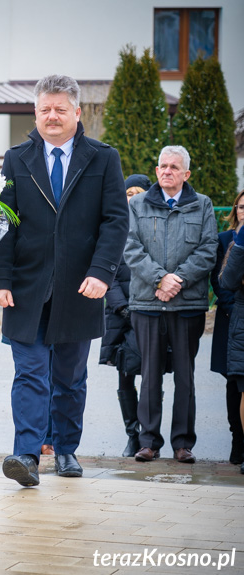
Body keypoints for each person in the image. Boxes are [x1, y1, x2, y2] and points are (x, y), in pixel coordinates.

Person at [0, 75, 129, 487]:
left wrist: (102, 273)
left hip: (80, 287)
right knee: (29, 373)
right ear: (35, 112)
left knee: (70, 378)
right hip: (26, 289)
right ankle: (26, 456)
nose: (52, 116)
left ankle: (65, 448)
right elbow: (2, 223)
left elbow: (116, 221)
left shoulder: (103, 158)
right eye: (45, 109)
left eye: (60, 109)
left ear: (76, 113)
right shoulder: (16, 158)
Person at [124, 145, 217, 464]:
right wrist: (160, 279)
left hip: (186, 305)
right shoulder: (137, 204)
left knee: (185, 377)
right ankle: (148, 441)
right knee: (149, 375)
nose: (166, 171)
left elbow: (208, 250)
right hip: (147, 304)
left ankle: (182, 443)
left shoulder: (202, 205)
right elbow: (130, 247)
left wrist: (177, 280)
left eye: (174, 167)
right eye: (162, 166)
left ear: (186, 174)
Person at [98, 174, 149, 457]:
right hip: (121, 315)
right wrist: (122, 307)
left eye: (138, 192)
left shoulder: (153, 225)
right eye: (127, 192)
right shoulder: (114, 225)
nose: (132, 197)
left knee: (152, 377)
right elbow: (108, 271)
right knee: (126, 375)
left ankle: (150, 435)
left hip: (151, 313)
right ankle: (133, 434)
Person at [210, 189, 244, 466]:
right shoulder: (225, 240)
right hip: (229, 318)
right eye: (241, 206)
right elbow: (218, 280)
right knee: (232, 382)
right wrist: (232, 307)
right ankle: (237, 440)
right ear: (235, 210)